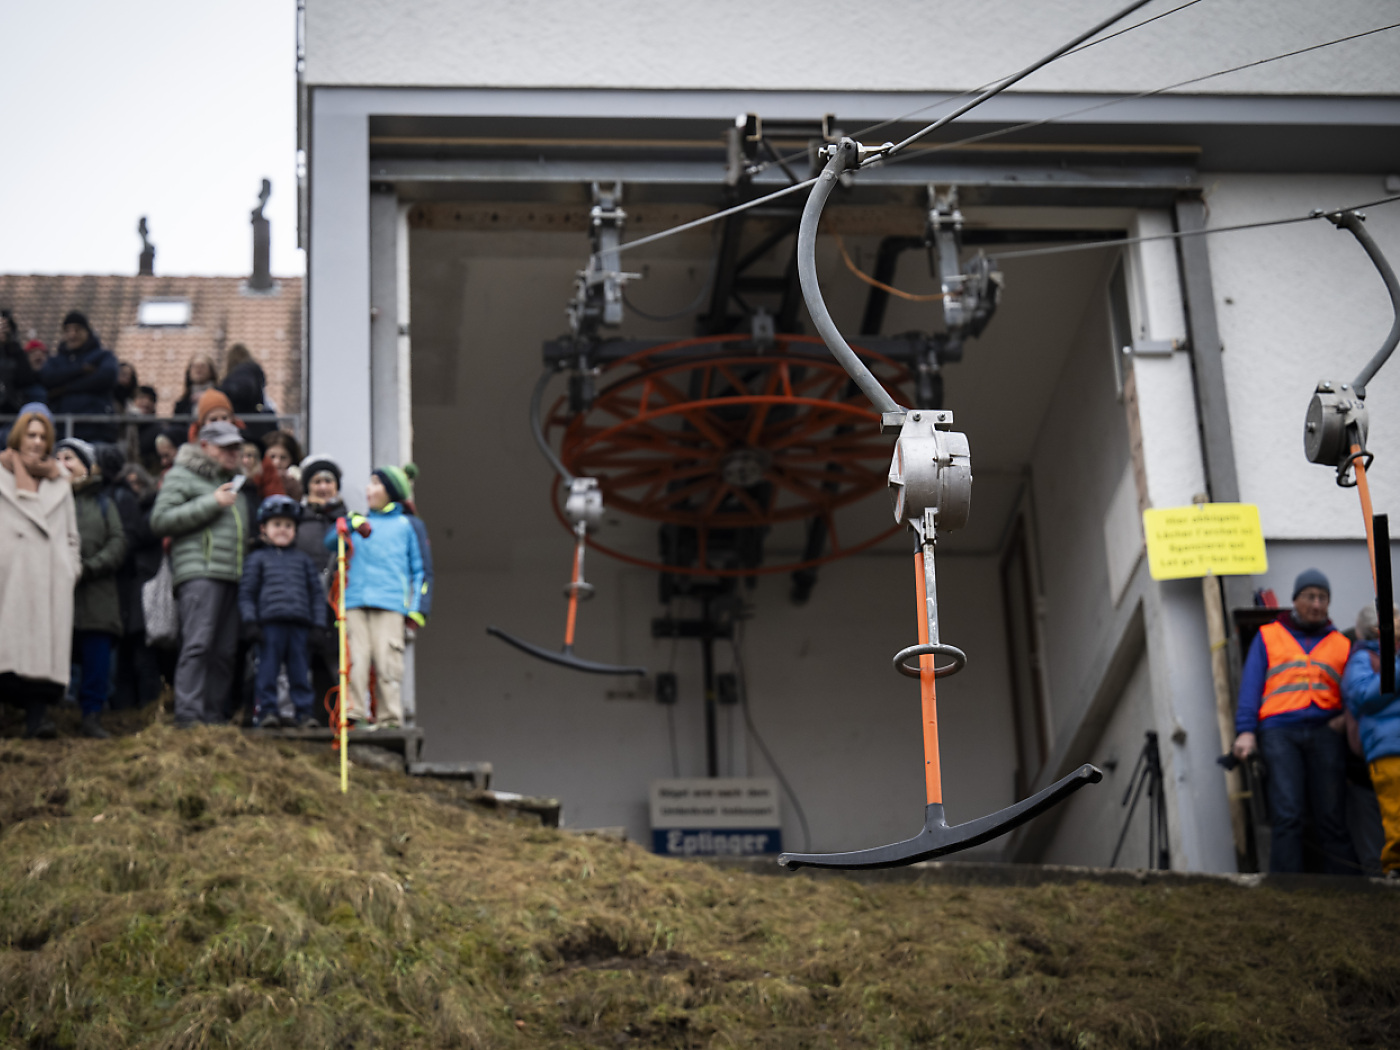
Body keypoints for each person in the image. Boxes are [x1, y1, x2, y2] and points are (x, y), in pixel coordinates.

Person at [1233, 569, 1358, 874]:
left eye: (1323, 598)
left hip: (1325, 732)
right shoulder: (1268, 636)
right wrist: (1246, 732)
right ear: (1295, 600)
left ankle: (1344, 889)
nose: (1316, 604)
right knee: (1287, 812)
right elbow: (1251, 688)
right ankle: (1285, 887)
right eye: (1310, 597)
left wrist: (1345, 720)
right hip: (1279, 732)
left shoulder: (1341, 643)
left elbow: (1355, 691)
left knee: (1331, 814)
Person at [150, 420, 249, 728]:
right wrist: (211, 502)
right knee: (198, 645)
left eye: (236, 447)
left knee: (224, 652)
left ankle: (213, 718)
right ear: (205, 447)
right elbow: (160, 520)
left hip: (233, 576)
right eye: (226, 447)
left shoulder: (236, 484)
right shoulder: (182, 475)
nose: (234, 453)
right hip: (199, 573)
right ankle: (188, 715)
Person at [0, 408, 80, 739]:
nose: (36, 442)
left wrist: (69, 568)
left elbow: (73, 536)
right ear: (18, 437)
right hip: (10, 574)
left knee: (40, 650)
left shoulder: (61, 482)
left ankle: (37, 718)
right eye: (31, 435)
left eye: (42, 436)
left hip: (49, 576)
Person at [325, 465, 425, 730]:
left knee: (388, 662)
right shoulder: (358, 522)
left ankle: (389, 717)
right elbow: (329, 542)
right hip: (355, 602)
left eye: (376, 484)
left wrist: (417, 608)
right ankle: (354, 712)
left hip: (391, 603)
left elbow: (421, 569)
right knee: (355, 661)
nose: (370, 489)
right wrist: (346, 525)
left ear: (391, 491)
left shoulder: (408, 525)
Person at [54, 438, 127, 739]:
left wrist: (90, 567)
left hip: (98, 598)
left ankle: (92, 717)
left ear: (86, 466)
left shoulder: (104, 503)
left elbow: (118, 543)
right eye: (58, 457)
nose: (63, 463)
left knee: (96, 660)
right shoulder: (50, 502)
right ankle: (55, 716)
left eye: (69, 457)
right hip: (59, 596)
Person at [239, 495, 327, 729]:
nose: (282, 530)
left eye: (288, 526)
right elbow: (247, 593)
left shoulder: (304, 561)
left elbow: (317, 595)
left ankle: (304, 713)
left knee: (300, 672)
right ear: (263, 529)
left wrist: (318, 625)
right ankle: (267, 711)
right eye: (276, 525)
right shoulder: (257, 559)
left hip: (300, 625)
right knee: (267, 670)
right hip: (269, 625)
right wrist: (250, 622)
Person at [1343, 603, 1400, 878]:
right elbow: (1362, 695)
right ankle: (1395, 871)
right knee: (1396, 815)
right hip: (1387, 747)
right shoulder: (1363, 658)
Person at [108, 458, 164, 711]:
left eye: (137, 483)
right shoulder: (120, 508)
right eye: (129, 484)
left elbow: (141, 535)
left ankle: (147, 708)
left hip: (146, 589)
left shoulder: (153, 511)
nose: (134, 489)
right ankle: (125, 709)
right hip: (126, 589)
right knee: (126, 657)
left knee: (144, 656)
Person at [39, 311, 119, 442]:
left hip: (97, 431)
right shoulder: (55, 361)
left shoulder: (104, 356)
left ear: (87, 331)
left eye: (77, 330)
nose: (72, 335)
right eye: (67, 330)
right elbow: (47, 379)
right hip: (61, 431)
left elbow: (106, 377)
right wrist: (81, 370)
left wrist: (64, 389)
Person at [220, 343, 273, 441]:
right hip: (256, 425)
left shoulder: (237, 376)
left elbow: (239, 392)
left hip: (243, 425)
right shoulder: (254, 372)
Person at [260, 430, 303, 501]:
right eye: (272, 456)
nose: (276, 462)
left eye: (283, 458)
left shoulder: (296, 484)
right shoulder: (255, 483)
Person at [173, 353, 218, 418]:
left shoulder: (220, 396)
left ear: (211, 372)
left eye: (202, 366)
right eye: (195, 366)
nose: (198, 369)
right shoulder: (182, 404)